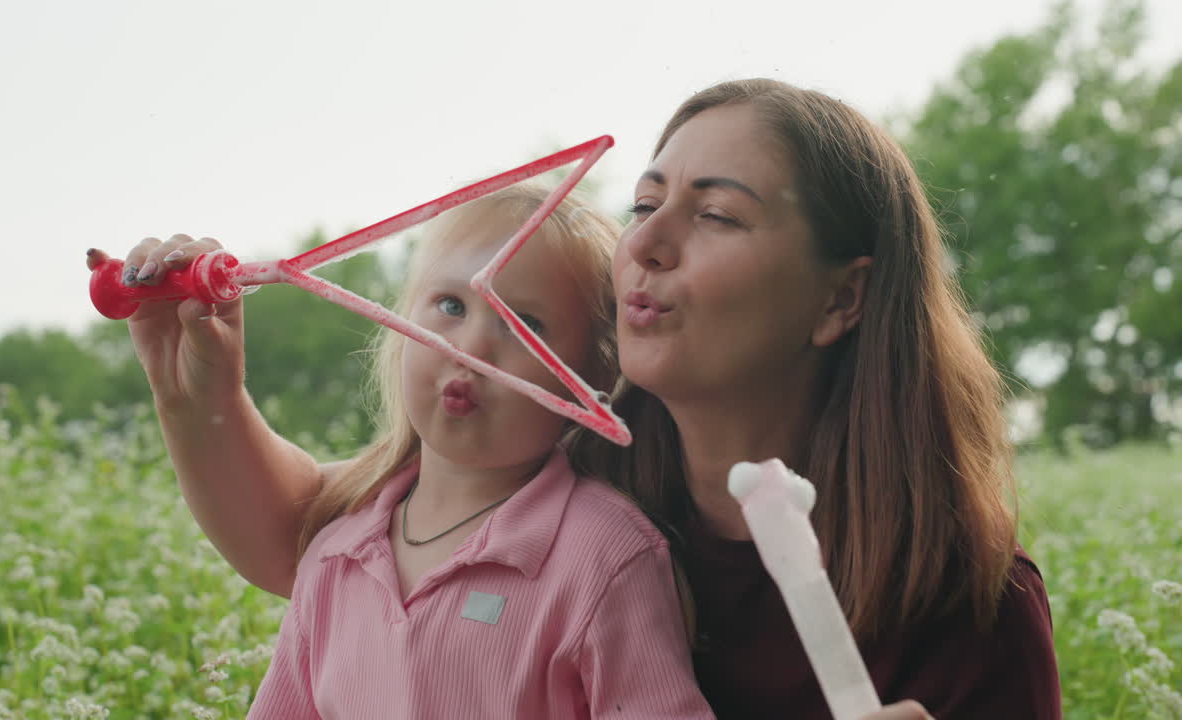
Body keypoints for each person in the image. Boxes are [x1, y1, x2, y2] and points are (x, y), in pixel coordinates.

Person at [98, 78, 1059, 719]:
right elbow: (319, 540)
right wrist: (197, 392)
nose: (647, 241)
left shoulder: (967, 608)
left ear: (841, 298)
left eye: (717, 214)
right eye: (645, 204)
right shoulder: (556, 458)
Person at [91, 184, 714, 718]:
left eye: (522, 323)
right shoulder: (338, 556)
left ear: (589, 373)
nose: (470, 345)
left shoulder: (606, 557)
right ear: (399, 326)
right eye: (449, 305)